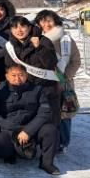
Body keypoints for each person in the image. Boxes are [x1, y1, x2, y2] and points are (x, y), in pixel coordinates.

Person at [0, 64, 60, 175]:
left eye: (21, 75)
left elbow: (45, 112)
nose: (17, 78)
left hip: (30, 128)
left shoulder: (37, 90)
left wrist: (28, 131)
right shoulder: (0, 88)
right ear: (7, 76)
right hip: (8, 130)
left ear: (26, 76)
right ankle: (13, 152)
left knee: (50, 130)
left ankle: (47, 163)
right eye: (13, 75)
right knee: (1, 150)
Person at [34, 10, 81, 152]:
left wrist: (65, 77)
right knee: (44, 112)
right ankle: (47, 141)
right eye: (43, 21)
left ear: (56, 21)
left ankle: (63, 142)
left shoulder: (66, 39)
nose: (46, 24)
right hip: (42, 83)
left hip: (62, 84)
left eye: (49, 20)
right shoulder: (36, 39)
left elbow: (75, 61)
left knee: (64, 113)